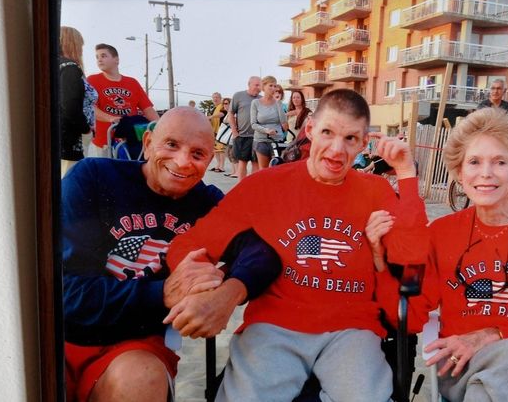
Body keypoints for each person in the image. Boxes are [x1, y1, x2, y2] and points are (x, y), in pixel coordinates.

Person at [163, 89, 429, 401]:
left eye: (350, 139)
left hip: (351, 327)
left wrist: (407, 175)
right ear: (310, 128)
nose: (336, 150)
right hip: (276, 325)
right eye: (328, 132)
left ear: (363, 143)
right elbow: (192, 245)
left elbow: (411, 254)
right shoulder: (265, 185)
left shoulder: (375, 189)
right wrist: (201, 283)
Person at [370, 108, 508, 401]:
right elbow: (409, 316)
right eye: (474, 162)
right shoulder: (443, 233)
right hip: (465, 366)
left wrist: (492, 334)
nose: (485, 173)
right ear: (459, 173)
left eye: (499, 162)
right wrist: (379, 259)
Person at [61, 107, 278, 402]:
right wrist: (162, 293)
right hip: (65, 335)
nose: (183, 162)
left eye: (198, 153)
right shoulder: (94, 178)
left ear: (209, 161)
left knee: (141, 378)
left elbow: (263, 252)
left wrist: (226, 295)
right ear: (148, 143)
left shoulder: (206, 203)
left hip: (137, 344)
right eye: (172, 145)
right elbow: (62, 294)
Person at [87, 43, 159, 157]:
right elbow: (90, 107)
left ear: (116, 60)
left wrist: (162, 126)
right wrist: (111, 118)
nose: (99, 60)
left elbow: (148, 109)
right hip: (104, 144)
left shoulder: (132, 83)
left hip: (130, 142)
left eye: (104, 56)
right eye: (97, 57)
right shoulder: (93, 80)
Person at [59, 26, 96, 176]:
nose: (81, 50)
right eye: (80, 45)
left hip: (60, 137)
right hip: (71, 140)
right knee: (68, 180)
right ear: (71, 44)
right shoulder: (69, 68)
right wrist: (85, 128)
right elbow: (70, 105)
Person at [227, 76, 262, 179]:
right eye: (256, 85)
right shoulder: (238, 96)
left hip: (258, 137)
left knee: (256, 163)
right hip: (243, 136)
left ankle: (253, 188)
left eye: (260, 85)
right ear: (249, 84)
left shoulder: (261, 99)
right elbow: (231, 113)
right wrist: (234, 132)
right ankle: (241, 188)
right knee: (242, 163)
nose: (258, 87)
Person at [251, 76, 288, 169]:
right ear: (264, 87)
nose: (273, 88)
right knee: (263, 170)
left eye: (275, 86)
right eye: (270, 85)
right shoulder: (256, 103)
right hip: (261, 140)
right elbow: (253, 124)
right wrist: (266, 130)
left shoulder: (277, 103)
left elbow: (283, 122)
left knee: (276, 169)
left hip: (277, 140)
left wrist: (278, 102)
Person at [207, 92, 227, 173]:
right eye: (213, 97)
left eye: (217, 97)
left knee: (221, 149)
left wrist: (211, 116)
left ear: (220, 98)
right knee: (215, 149)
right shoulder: (214, 108)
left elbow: (222, 114)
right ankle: (217, 165)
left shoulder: (222, 106)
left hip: (221, 131)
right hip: (214, 131)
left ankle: (222, 166)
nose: (215, 99)